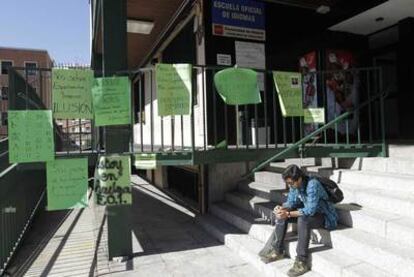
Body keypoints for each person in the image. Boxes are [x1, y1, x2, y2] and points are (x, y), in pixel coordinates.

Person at [258, 165, 338, 277]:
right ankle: (277, 250)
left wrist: (289, 213)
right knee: (282, 214)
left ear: (299, 178)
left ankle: (302, 261)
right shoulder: (295, 186)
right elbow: (290, 202)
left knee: (303, 219)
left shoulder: (312, 185)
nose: (290, 186)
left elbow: (310, 210)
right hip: (311, 212)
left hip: (324, 216)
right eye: (288, 183)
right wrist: (282, 208)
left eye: (291, 183)